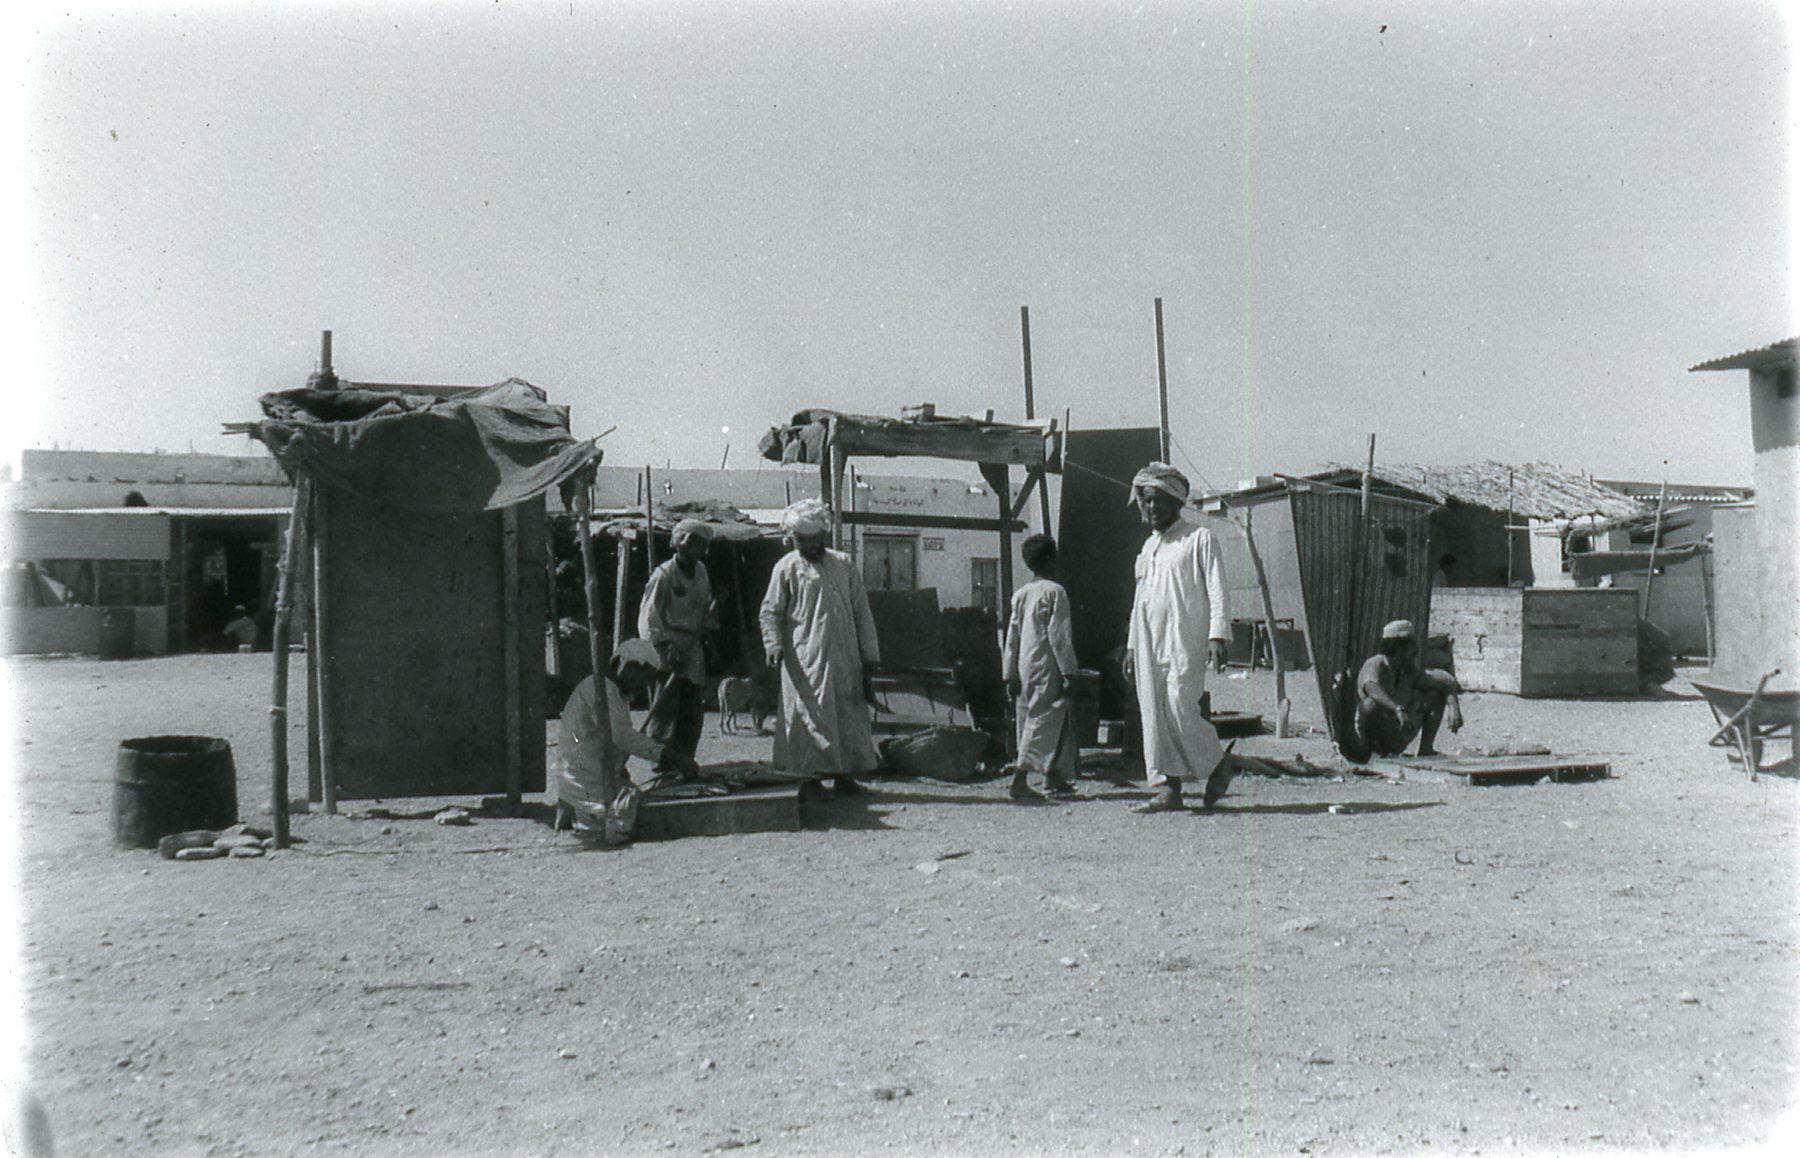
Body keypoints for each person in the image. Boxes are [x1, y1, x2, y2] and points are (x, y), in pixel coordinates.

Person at [1123, 462, 1232, 813]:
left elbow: (1217, 589)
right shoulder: (1148, 547)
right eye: (1146, 500)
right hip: (1148, 641)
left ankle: (1218, 764)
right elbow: (1140, 599)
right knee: (1153, 712)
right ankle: (1168, 787)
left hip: (1185, 638)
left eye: (1158, 499)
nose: (1152, 506)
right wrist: (1131, 646)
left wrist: (1217, 635)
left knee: (1180, 706)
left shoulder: (1199, 538)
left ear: (1175, 501)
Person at [758, 498, 881, 795]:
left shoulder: (844, 564)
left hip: (845, 657)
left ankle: (845, 777)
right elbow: (770, 612)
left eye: (814, 538)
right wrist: (773, 645)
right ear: (793, 538)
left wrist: (869, 653)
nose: (810, 545)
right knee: (808, 718)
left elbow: (862, 611)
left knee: (847, 715)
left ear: (823, 534)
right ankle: (809, 779)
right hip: (804, 659)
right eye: (802, 539)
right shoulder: (786, 568)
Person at [555, 639, 700, 839]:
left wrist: (617, 764)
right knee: (626, 817)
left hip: (589, 770)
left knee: (633, 797)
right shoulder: (601, 689)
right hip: (583, 775)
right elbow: (623, 737)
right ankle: (580, 813)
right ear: (629, 667)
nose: (642, 685)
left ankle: (575, 810)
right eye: (643, 677)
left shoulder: (613, 691)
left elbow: (610, 737)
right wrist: (672, 756)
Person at [1002, 533, 1081, 801]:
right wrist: (1069, 671)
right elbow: (1059, 636)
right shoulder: (1055, 592)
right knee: (1042, 719)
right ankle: (1020, 779)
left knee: (1054, 718)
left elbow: (1011, 637)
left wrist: (1009, 673)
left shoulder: (1021, 594)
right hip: (1048, 665)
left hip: (1026, 664)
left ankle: (1053, 775)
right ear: (1049, 560)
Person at [638, 518, 717, 774]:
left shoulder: (702, 572)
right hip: (668, 647)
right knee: (666, 708)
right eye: (689, 544)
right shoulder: (663, 575)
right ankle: (661, 763)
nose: (694, 550)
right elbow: (648, 618)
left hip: (692, 647)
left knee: (691, 707)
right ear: (678, 545)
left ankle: (683, 760)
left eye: (699, 546)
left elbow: (704, 608)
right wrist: (666, 649)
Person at [1355, 620, 1464, 758]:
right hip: (1370, 738)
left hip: (1396, 733)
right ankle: (1372, 754)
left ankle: (1425, 749)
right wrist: (1397, 709)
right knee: (1369, 705)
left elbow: (1444, 681)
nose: (1415, 651)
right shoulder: (1375, 664)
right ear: (1399, 648)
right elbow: (1371, 687)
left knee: (1434, 696)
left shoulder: (1408, 671)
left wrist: (1454, 706)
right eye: (1411, 646)